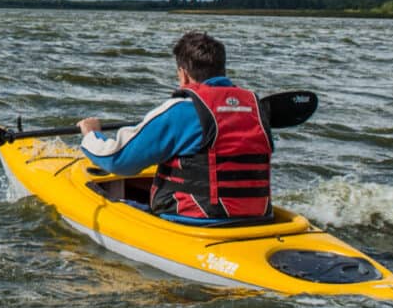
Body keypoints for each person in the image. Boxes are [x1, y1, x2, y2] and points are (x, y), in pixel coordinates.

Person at [76, 30, 272, 224]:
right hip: (258, 219)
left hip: (194, 221)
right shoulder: (256, 108)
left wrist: (91, 134)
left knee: (116, 202)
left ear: (183, 74)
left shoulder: (182, 110)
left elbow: (117, 160)